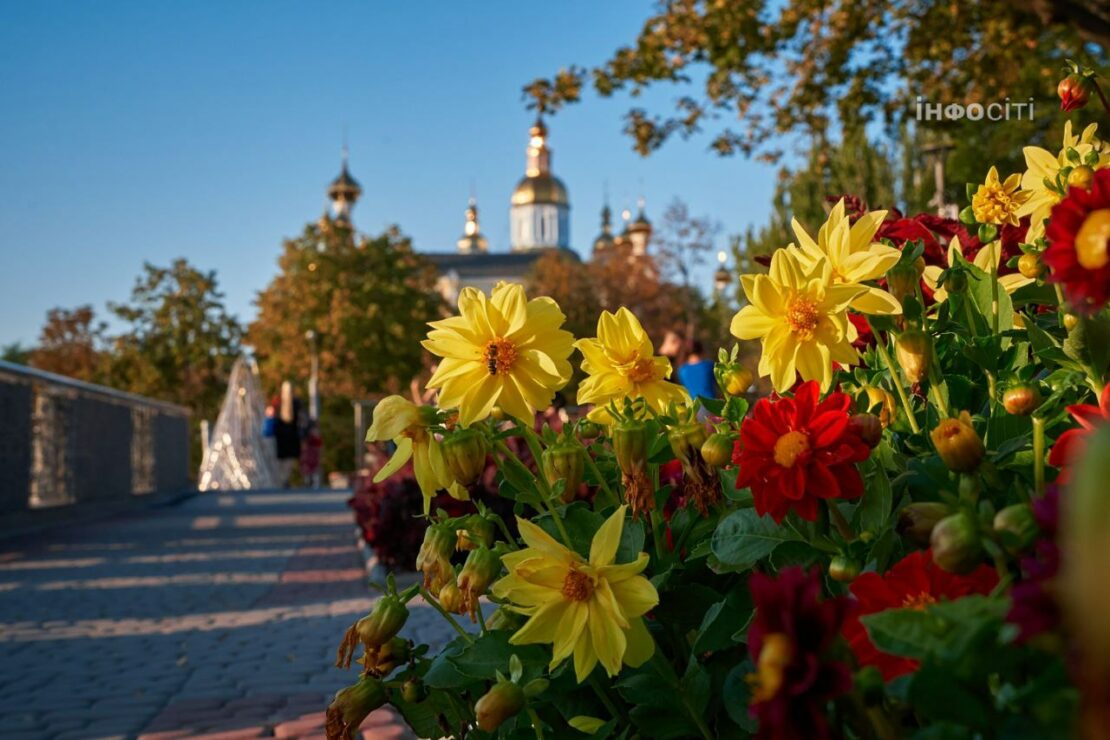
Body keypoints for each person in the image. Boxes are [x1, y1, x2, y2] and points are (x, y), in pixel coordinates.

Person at [273, 380, 304, 487]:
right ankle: (284, 479)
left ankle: (280, 479)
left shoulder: (278, 402)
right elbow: (302, 418)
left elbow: (271, 416)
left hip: (280, 435)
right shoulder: (297, 402)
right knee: (289, 460)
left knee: (281, 459)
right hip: (292, 435)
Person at [300, 420, 323, 489]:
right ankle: (308, 480)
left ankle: (311, 480)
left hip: (314, 453)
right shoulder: (307, 436)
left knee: (313, 466)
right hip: (309, 453)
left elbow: (320, 445)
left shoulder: (316, 436)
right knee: (308, 466)